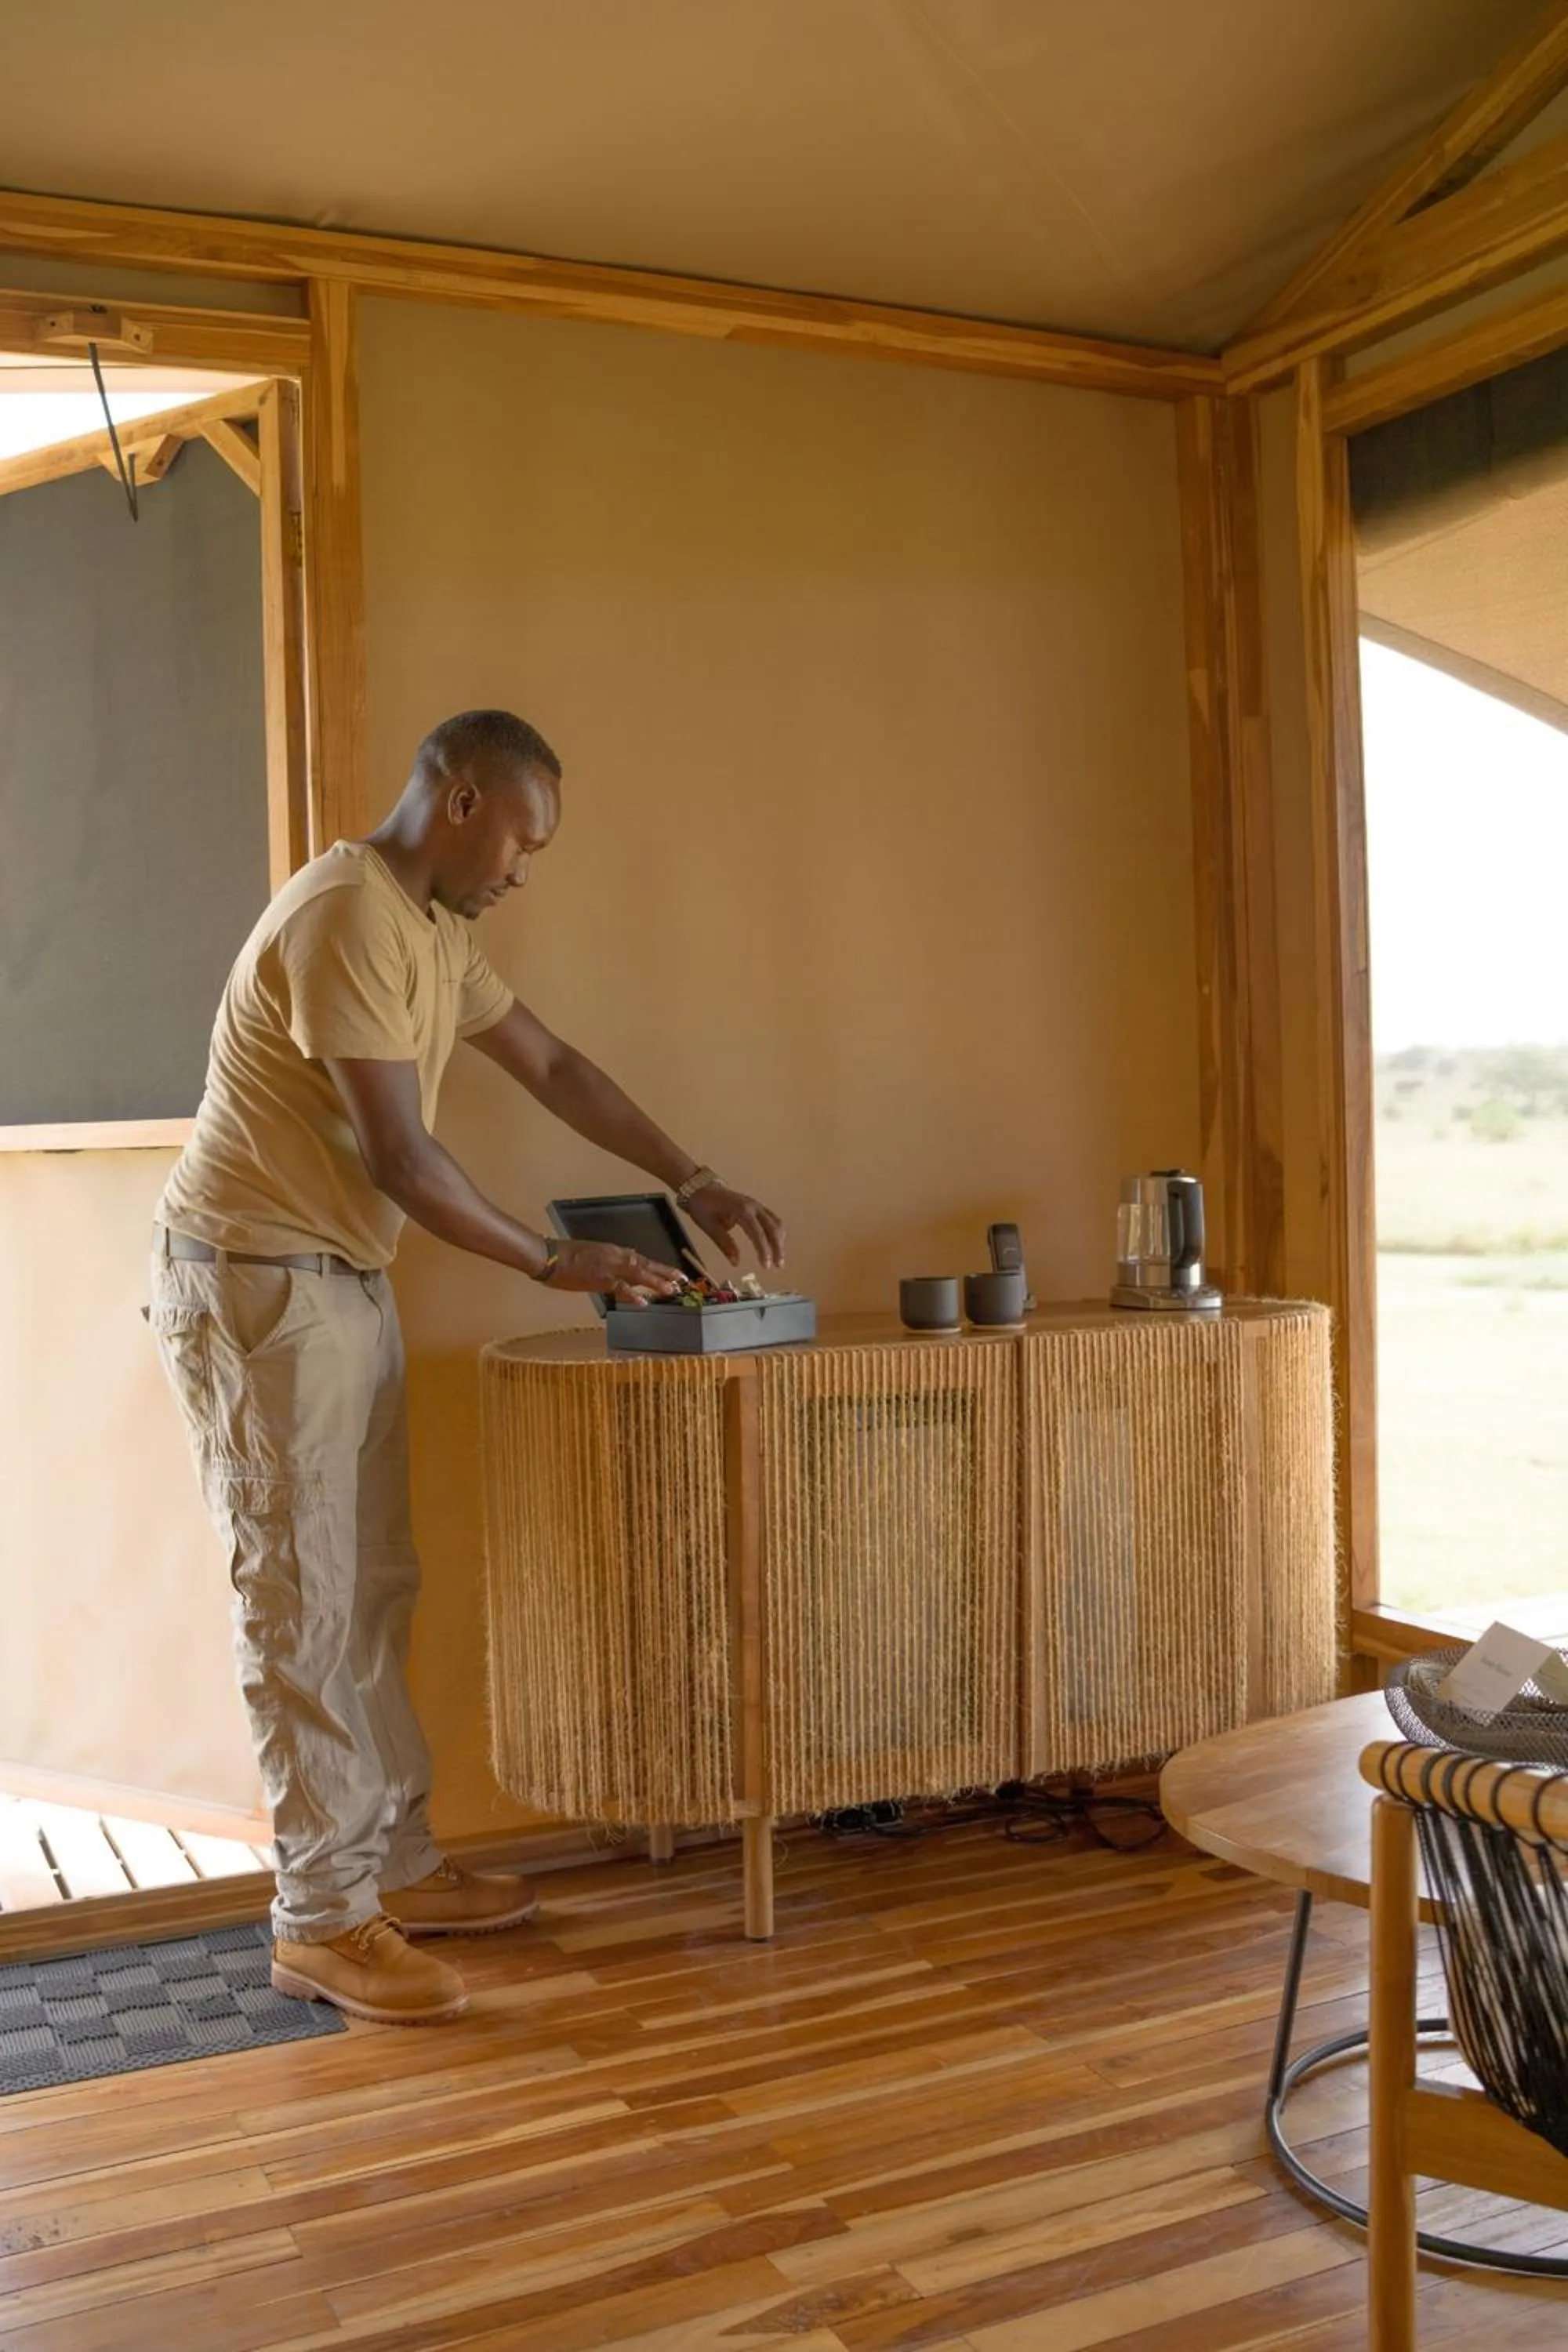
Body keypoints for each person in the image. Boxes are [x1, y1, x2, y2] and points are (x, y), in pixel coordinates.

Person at [148, 709, 786, 2026]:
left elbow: (551, 1064)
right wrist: (553, 1261)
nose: (523, 871)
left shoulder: (432, 929)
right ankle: (322, 1919)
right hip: (259, 1284)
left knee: (370, 1589)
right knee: (300, 1602)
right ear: (460, 799)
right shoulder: (346, 917)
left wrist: (694, 1176)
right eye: (522, 840)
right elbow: (402, 1157)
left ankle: (391, 1866)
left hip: (336, 1278)